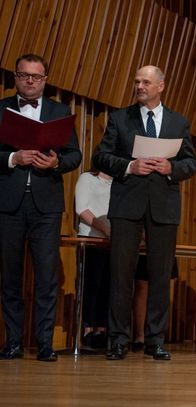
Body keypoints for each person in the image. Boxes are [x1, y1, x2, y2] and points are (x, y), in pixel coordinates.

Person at [92, 65, 196, 361]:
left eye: (146, 82)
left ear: (161, 86)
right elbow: (100, 157)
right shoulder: (120, 118)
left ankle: (155, 339)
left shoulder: (178, 122)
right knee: (121, 274)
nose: (139, 86)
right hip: (127, 204)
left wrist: (171, 167)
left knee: (160, 275)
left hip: (163, 206)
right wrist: (129, 166)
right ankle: (118, 339)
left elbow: (191, 162)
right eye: (137, 81)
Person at [0, 53, 82, 361]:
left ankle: (45, 343)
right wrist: (13, 158)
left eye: (36, 76)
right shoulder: (1, 109)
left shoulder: (59, 111)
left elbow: (75, 155)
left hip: (46, 205)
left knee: (47, 277)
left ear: (45, 80)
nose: (30, 81)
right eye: (24, 75)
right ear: (16, 77)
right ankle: (13, 342)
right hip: (8, 203)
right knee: (9, 276)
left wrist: (56, 162)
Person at [74, 169, 113, 349]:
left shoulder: (120, 181)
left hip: (113, 242)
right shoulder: (87, 178)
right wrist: (104, 228)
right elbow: (81, 208)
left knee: (108, 286)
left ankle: (102, 330)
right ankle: (88, 328)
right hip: (91, 239)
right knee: (92, 285)